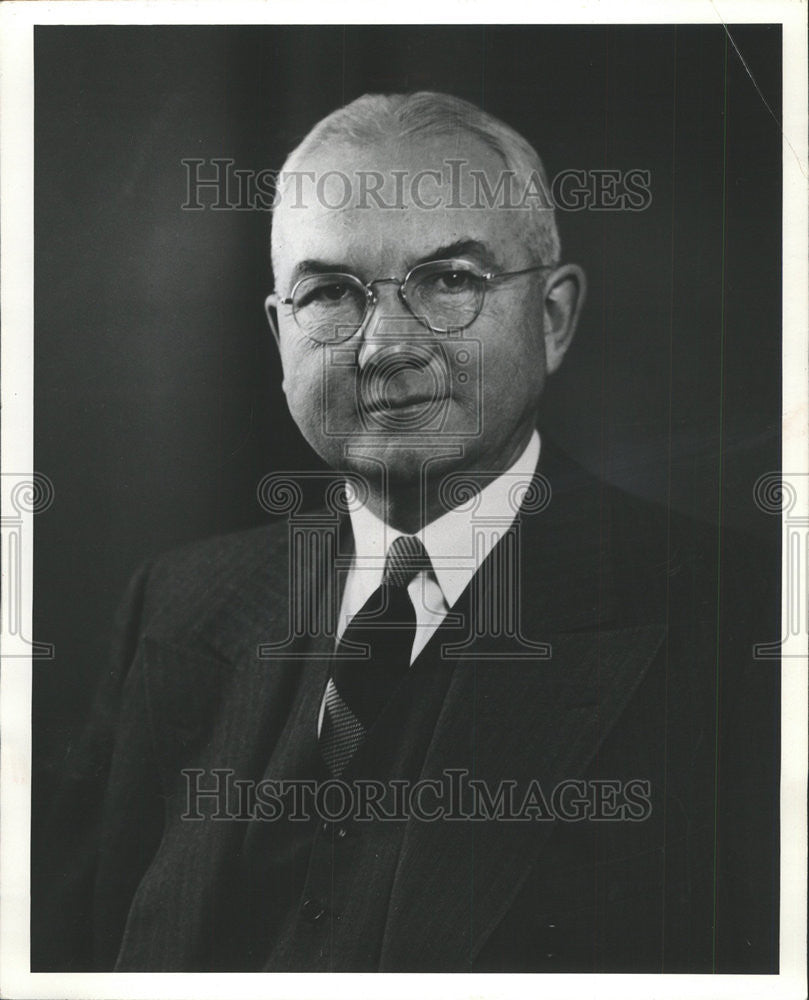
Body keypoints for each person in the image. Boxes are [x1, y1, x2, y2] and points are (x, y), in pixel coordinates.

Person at [35, 92, 779, 973]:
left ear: (552, 317)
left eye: (449, 280)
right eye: (329, 293)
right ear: (280, 336)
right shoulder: (177, 605)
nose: (385, 343)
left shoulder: (742, 620)